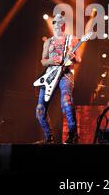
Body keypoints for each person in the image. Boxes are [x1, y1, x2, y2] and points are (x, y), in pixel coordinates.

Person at [36, 14, 81, 144]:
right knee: (40, 109)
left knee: (67, 102)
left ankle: (73, 135)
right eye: (54, 22)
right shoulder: (48, 42)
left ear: (64, 25)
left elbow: (78, 59)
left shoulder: (71, 39)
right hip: (50, 75)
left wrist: (73, 57)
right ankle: (49, 137)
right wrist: (52, 60)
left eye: (59, 22)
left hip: (65, 75)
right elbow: (43, 61)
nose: (56, 24)